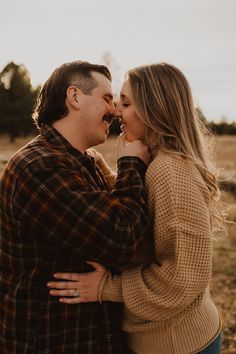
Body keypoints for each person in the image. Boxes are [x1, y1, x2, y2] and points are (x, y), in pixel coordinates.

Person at [48, 63, 223, 354]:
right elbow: (148, 211)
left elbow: (182, 280)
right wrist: (107, 174)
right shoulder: (155, 162)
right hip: (159, 338)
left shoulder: (171, 171)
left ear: (154, 109)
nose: (116, 111)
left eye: (126, 103)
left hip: (179, 344)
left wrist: (106, 287)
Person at [0, 60, 152, 354]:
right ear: (74, 97)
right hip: (53, 341)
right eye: (107, 98)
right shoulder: (39, 167)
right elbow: (123, 241)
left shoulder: (85, 161)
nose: (115, 111)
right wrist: (131, 165)